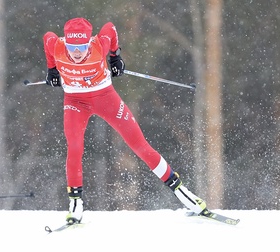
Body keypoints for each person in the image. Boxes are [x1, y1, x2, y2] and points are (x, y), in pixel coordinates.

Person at [43, 17, 208, 224]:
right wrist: (52, 70)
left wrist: (115, 56)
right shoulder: (57, 46)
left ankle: (185, 194)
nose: (77, 52)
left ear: (89, 42)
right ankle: (76, 204)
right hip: (75, 101)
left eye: (82, 46)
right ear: (66, 42)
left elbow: (109, 28)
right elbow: (47, 37)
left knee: (139, 145)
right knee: (75, 147)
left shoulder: (98, 46)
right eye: (73, 47)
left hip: (105, 98)